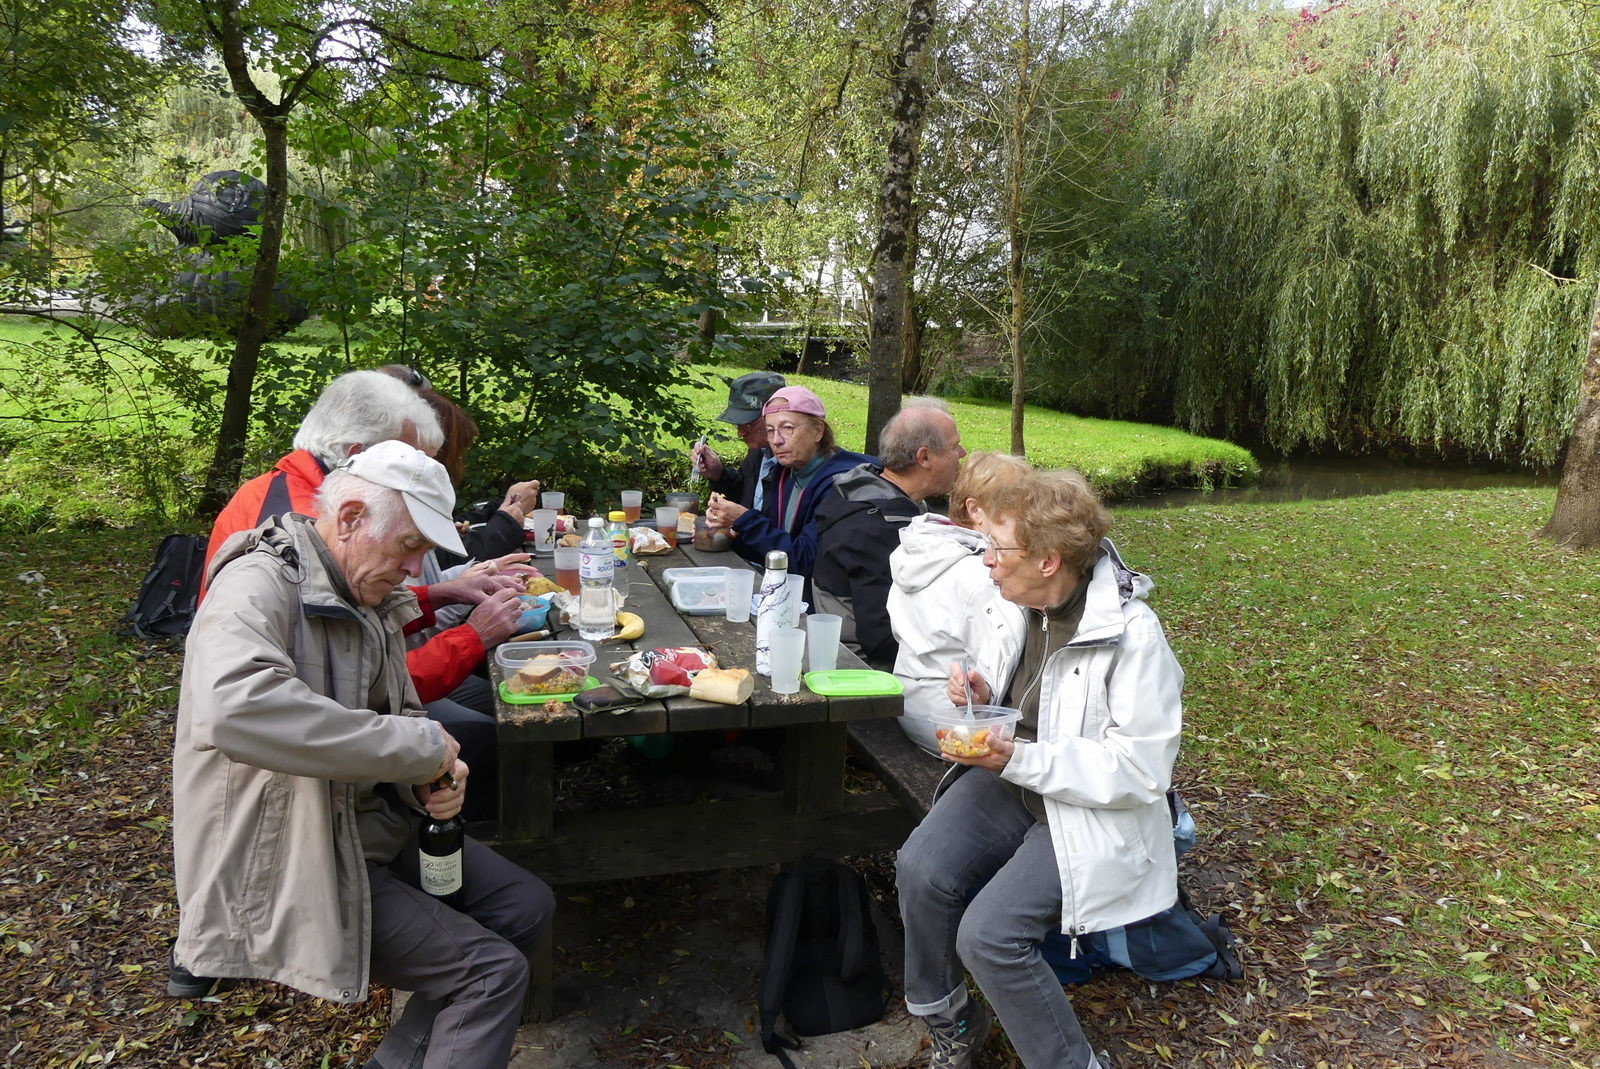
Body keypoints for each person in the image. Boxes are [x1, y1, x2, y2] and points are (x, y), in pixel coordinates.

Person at [171, 441, 554, 1069]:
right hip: (294, 857)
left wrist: (430, 777)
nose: (415, 568)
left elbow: (398, 713)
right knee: (491, 975)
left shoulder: (364, 593)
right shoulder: (256, 582)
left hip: (368, 824)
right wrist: (417, 747)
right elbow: (232, 707)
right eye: (408, 546)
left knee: (524, 905)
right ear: (349, 518)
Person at [896, 468, 1182, 1069]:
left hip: (1087, 808)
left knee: (990, 936)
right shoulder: (1016, 605)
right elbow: (1026, 695)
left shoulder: (1132, 636)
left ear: (1048, 561)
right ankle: (952, 1021)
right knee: (921, 868)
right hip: (1013, 778)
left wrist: (1019, 757)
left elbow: (1142, 769)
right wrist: (980, 693)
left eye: (998, 549)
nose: (986, 561)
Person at [886, 451, 1031, 753]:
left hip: (910, 707)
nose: (1030, 517)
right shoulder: (983, 575)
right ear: (975, 510)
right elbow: (1000, 674)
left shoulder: (921, 549)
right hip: (953, 727)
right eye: (1017, 505)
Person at [811, 399, 967, 669]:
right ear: (924, 457)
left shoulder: (860, 488)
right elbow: (882, 638)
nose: (962, 454)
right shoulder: (878, 529)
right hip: (864, 673)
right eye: (955, 446)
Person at [702, 386, 874, 578]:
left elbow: (806, 562)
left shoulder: (842, 484)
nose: (776, 440)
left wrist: (745, 520)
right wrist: (734, 537)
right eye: (770, 430)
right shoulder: (786, 473)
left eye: (788, 428)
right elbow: (780, 550)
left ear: (817, 431)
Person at [692, 370, 786, 510]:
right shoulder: (759, 451)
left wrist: (744, 518)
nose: (740, 433)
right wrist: (719, 474)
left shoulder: (795, 462)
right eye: (737, 424)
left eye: (749, 424)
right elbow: (744, 497)